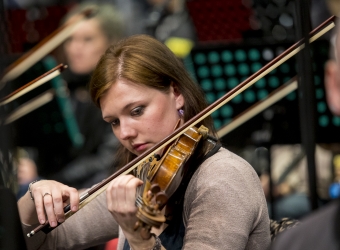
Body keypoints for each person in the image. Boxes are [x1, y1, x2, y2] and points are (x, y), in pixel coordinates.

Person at [18, 34, 270, 250]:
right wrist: (35, 194)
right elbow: (43, 242)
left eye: (137, 111)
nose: (125, 132)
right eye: (114, 121)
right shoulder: (146, 174)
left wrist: (139, 238)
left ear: (177, 93)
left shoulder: (222, 179)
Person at [270, 15, 340, 250]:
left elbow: (324, 179)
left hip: (310, 192)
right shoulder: (296, 244)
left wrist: (286, 187)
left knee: (281, 208)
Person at [48, 1, 124, 189]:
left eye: (87, 39)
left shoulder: (119, 90)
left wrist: (50, 179)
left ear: (111, 42)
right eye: (70, 39)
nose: (75, 49)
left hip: (97, 185)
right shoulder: (62, 86)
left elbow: (107, 160)